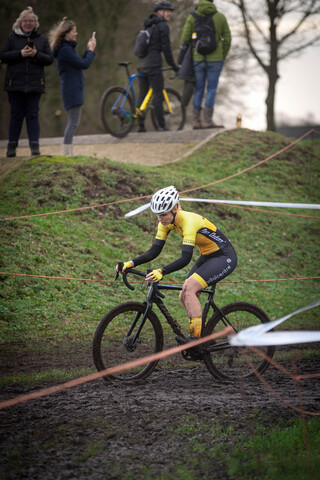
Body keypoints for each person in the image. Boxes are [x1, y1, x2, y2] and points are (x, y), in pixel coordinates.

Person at [117, 186, 237, 342]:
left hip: (224, 256)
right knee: (183, 295)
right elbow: (154, 251)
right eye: (157, 215)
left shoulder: (189, 222)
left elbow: (185, 258)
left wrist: (162, 271)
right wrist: (131, 263)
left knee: (189, 289)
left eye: (163, 215)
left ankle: (196, 337)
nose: (160, 219)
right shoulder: (165, 222)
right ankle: (203, 335)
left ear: (174, 209)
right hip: (207, 255)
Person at [0, 6, 53, 157]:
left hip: (35, 84)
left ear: (36, 23)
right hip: (14, 84)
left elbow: (49, 59)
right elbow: (2, 56)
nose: (28, 23)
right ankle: (11, 147)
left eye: (31, 21)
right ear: (20, 23)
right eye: (25, 21)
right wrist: (20, 54)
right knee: (16, 116)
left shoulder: (42, 39)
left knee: (33, 115)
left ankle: (34, 147)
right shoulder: (11, 38)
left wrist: (36, 54)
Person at [48, 18, 96, 157]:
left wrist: (88, 49)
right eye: (74, 31)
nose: (76, 33)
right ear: (66, 33)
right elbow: (85, 64)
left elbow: (81, 62)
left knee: (73, 122)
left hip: (73, 89)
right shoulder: (65, 51)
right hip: (72, 90)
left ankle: (67, 152)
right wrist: (91, 50)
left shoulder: (67, 50)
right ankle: (67, 153)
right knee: (73, 122)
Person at [181, 0, 231, 129]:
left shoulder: (192, 17)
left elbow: (186, 38)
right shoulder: (220, 17)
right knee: (212, 89)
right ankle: (208, 121)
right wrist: (222, 55)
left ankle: (196, 121)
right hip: (216, 59)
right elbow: (227, 38)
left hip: (198, 58)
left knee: (198, 89)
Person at [136, 1, 179, 132]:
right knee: (158, 95)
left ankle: (140, 126)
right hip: (153, 65)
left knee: (143, 94)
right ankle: (161, 126)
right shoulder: (162, 26)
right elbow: (166, 48)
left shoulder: (147, 25)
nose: (170, 13)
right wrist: (174, 65)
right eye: (168, 10)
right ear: (160, 12)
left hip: (141, 64)